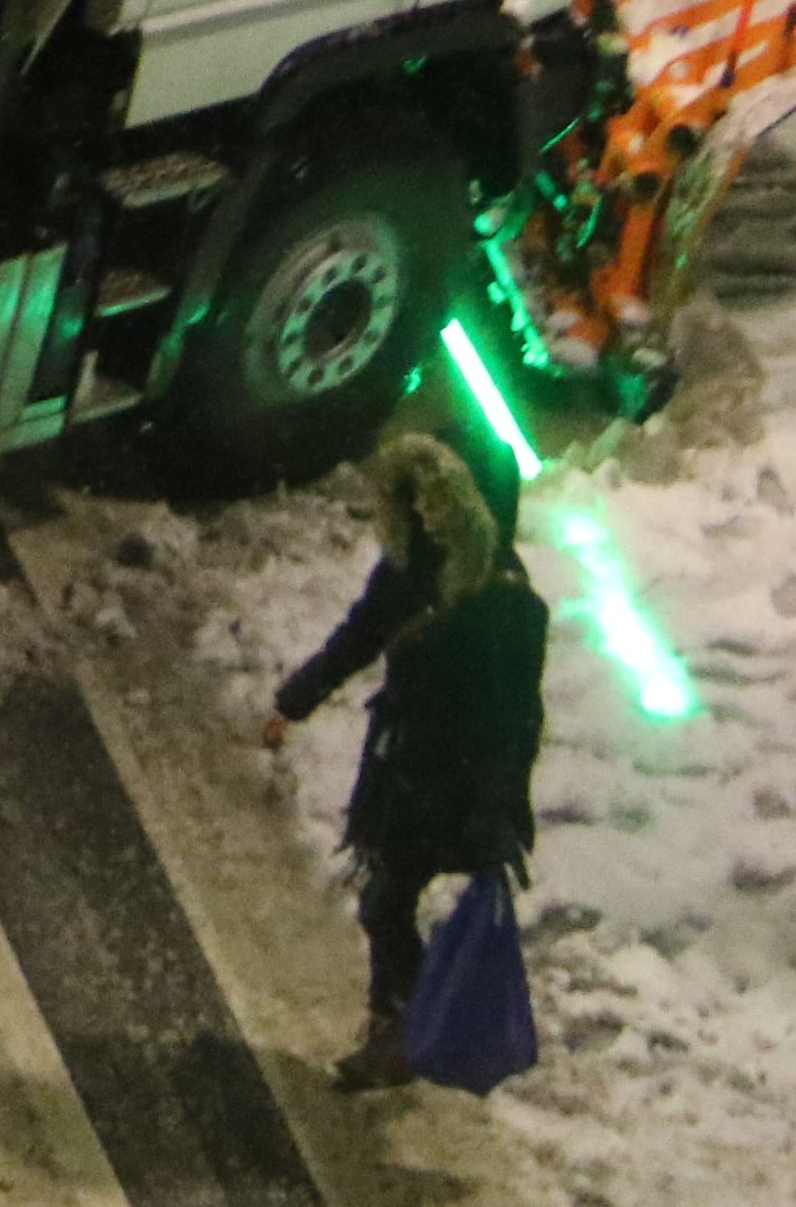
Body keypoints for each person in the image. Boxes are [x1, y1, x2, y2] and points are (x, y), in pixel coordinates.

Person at [263, 429, 550, 1093]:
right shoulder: (411, 570)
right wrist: (294, 700)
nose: (424, 514)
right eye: (416, 499)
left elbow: (516, 722)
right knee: (384, 897)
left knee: (385, 902)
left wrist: (495, 811)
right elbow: (359, 636)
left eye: (437, 500)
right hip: (405, 770)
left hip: (456, 785)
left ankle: (409, 1023)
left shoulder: (508, 604)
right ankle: (398, 1023)